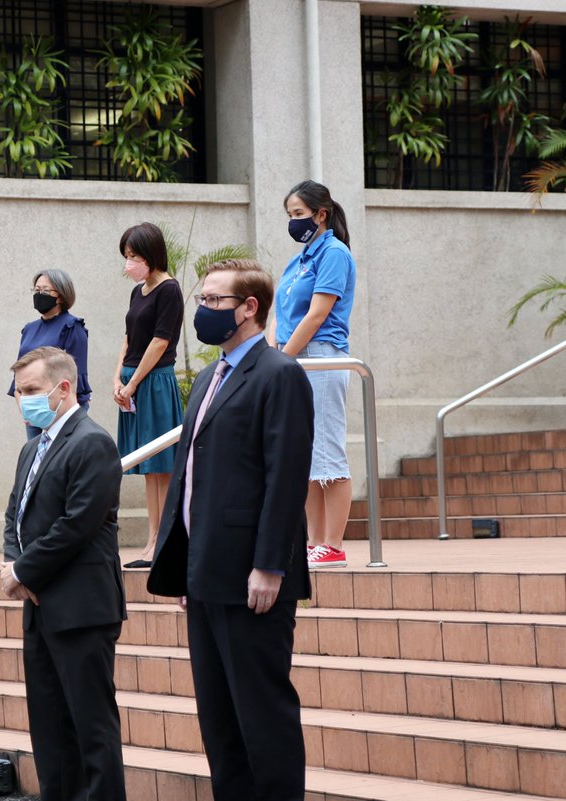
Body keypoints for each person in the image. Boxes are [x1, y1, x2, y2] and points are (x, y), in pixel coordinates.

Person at [148, 260, 314, 801]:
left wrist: (269, 565)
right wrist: (184, 568)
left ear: (250, 308)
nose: (203, 309)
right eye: (203, 299)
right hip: (207, 576)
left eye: (215, 301)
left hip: (253, 578)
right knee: (218, 721)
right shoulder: (207, 378)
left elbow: (285, 479)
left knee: (261, 716)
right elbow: (191, 481)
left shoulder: (278, 373)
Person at [1, 346, 127, 801]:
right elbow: (16, 514)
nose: (24, 400)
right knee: (50, 730)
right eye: (19, 392)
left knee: (91, 729)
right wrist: (13, 562)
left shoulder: (92, 442)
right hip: (41, 610)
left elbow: (76, 524)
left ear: (64, 387)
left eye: (32, 390)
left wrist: (24, 571)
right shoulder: (32, 447)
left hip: (81, 608)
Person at [272, 180, 357, 569]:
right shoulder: (301, 257)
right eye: (290, 215)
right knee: (304, 456)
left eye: (299, 215)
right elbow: (280, 313)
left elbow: (318, 313)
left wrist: (282, 359)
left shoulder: (334, 254)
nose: (294, 222)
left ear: (321, 214)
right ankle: (315, 542)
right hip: (294, 359)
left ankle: (334, 544)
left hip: (321, 358)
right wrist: (275, 352)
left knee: (327, 453)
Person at [114, 222, 184, 569]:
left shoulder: (169, 290)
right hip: (133, 382)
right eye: (126, 256)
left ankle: (163, 539)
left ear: (151, 255)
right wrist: (118, 378)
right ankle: (152, 538)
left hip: (153, 383)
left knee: (163, 466)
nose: (129, 263)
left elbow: (160, 341)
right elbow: (128, 338)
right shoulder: (137, 291)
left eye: (134, 256)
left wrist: (133, 383)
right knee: (148, 467)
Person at [9, 269, 92, 439]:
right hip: (33, 412)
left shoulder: (72, 327)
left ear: (60, 295)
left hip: (60, 413)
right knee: (37, 461)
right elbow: (18, 376)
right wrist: (26, 410)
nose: (40, 294)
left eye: (45, 291)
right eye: (37, 290)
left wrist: (58, 414)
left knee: (60, 459)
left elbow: (76, 379)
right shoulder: (29, 329)